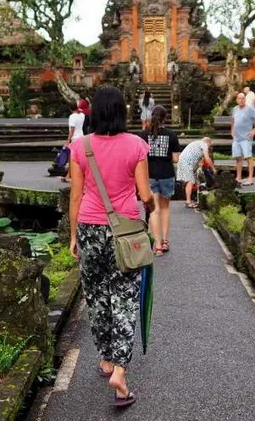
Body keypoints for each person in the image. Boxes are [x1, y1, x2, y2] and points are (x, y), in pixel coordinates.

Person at [68, 86, 154, 408]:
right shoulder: (136, 145)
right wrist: (151, 208)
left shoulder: (81, 146)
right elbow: (145, 194)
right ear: (121, 112)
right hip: (126, 233)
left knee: (97, 296)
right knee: (125, 298)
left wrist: (73, 236)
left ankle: (105, 359)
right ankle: (119, 370)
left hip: (90, 228)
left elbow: (75, 196)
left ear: (95, 113)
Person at [139, 105, 181, 255]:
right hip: (167, 174)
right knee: (165, 208)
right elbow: (176, 159)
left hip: (149, 175)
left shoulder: (143, 135)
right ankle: (165, 241)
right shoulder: (171, 135)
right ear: (165, 118)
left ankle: (157, 246)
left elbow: (140, 158)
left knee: (154, 209)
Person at [231, 92, 255, 186]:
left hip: (246, 137)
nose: (241, 100)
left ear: (245, 99)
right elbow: (233, 120)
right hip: (237, 138)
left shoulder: (249, 109)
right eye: (239, 98)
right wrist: (232, 131)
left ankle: (250, 178)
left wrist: (254, 129)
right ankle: (238, 178)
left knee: (248, 157)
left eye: (243, 98)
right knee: (238, 158)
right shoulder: (235, 109)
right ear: (236, 100)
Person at [176, 137, 213, 208]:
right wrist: (214, 169)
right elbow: (207, 158)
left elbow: (197, 163)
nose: (209, 148)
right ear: (207, 142)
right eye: (210, 146)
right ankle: (188, 202)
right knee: (190, 181)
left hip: (183, 160)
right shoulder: (203, 144)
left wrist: (196, 177)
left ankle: (189, 200)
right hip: (186, 162)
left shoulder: (196, 144)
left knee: (190, 181)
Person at [62, 102, 87, 183]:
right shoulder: (82, 115)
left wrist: (67, 141)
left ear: (70, 109)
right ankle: (69, 175)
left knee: (71, 158)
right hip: (81, 137)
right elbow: (81, 111)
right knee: (79, 157)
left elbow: (72, 130)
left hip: (75, 138)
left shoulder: (72, 117)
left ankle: (69, 175)